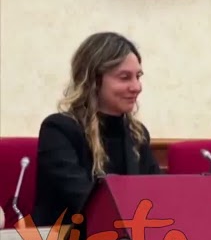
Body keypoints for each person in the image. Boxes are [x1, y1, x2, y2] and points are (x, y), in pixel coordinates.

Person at [33, 32, 161, 229]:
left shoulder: (138, 134)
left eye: (138, 76)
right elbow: (85, 202)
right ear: (93, 80)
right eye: (124, 78)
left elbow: (157, 194)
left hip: (125, 239)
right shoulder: (59, 130)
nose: (136, 87)